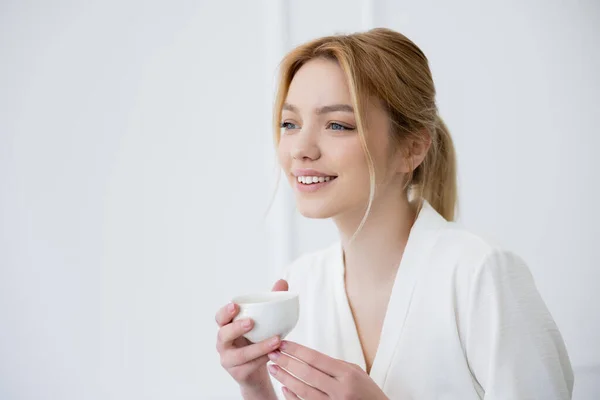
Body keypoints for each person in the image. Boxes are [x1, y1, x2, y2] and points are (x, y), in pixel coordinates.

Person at [214, 27, 574, 399]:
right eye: (290, 123)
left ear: (412, 149)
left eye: (337, 124)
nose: (300, 149)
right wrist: (255, 385)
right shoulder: (301, 285)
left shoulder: (480, 275)